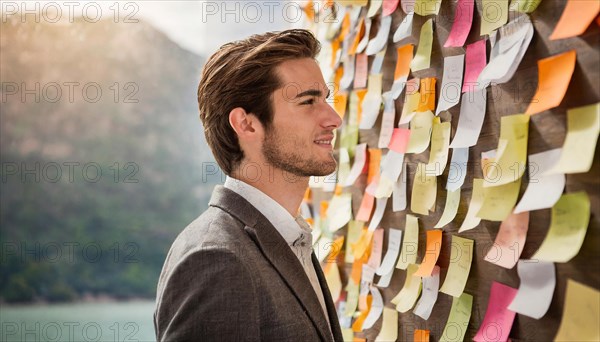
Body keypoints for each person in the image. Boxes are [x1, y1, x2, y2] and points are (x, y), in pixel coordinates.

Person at [154, 29, 344, 341]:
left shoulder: (286, 236)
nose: (333, 118)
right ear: (246, 124)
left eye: (325, 99)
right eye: (308, 101)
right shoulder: (217, 259)